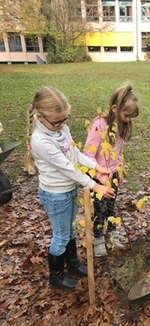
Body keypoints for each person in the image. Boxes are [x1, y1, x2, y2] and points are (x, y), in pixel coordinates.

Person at [24, 86, 115, 291]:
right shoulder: (41, 141)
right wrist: (95, 186)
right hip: (55, 195)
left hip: (68, 190)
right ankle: (56, 276)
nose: (63, 124)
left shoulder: (61, 128)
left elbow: (73, 154)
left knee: (70, 230)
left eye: (66, 119)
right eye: (57, 122)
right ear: (40, 117)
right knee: (61, 236)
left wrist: (96, 166)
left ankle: (72, 263)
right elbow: (68, 169)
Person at [83, 82, 139, 257]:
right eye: (126, 115)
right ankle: (98, 239)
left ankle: (113, 235)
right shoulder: (99, 125)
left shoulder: (120, 127)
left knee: (111, 206)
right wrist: (100, 174)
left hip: (112, 175)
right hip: (98, 176)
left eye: (131, 117)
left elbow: (119, 152)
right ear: (114, 108)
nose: (128, 119)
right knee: (100, 209)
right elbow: (87, 154)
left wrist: (118, 170)